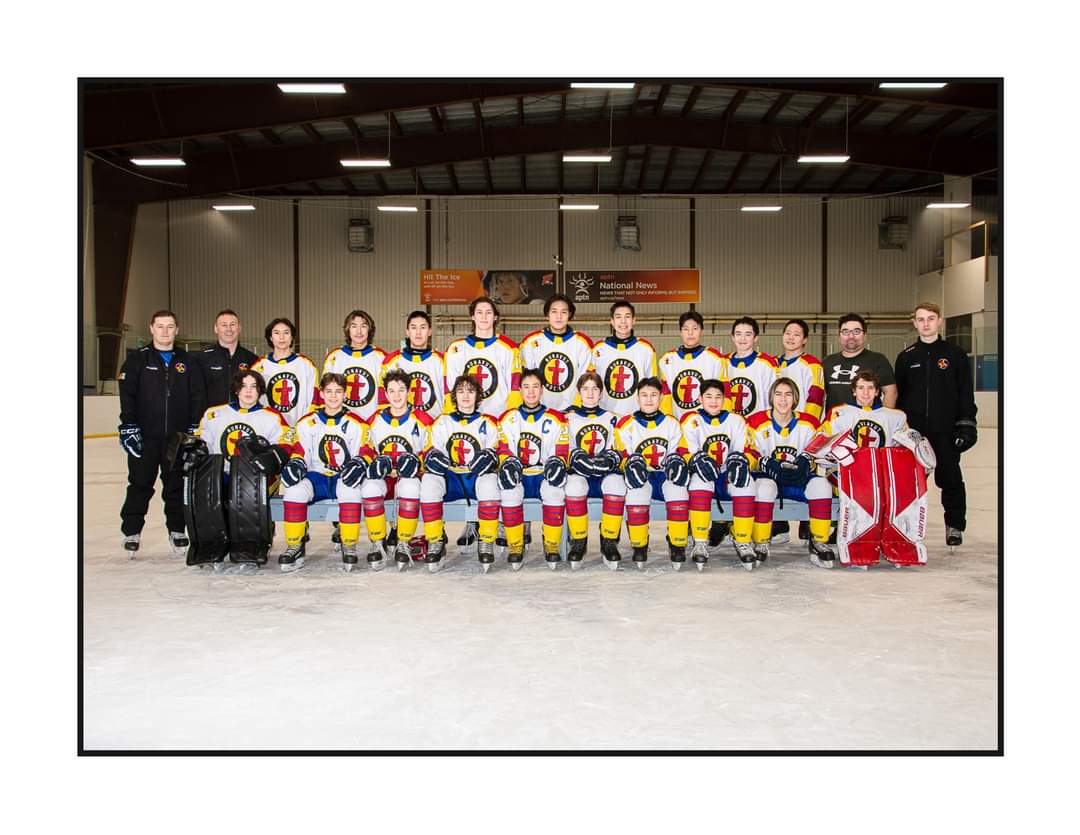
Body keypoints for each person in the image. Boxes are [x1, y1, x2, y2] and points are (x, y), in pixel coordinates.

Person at [118, 309, 206, 555]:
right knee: (139, 484)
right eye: (160, 326)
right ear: (151, 328)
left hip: (176, 439)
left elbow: (197, 395)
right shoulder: (138, 359)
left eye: (170, 327)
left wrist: (193, 426)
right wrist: (128, 425)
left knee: (175, 485)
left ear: (177, 330)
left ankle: (177, 530)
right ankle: (132, 531)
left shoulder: (187, 361)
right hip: (145, 436)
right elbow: (128, 396)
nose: (165, 331)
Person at [186, 369, 294, 571]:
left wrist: (273, 457)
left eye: (254, 387)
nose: (248, 391)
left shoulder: (272, 417)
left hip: (256, 478)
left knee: (246, 493)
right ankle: (211, 543)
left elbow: (287, 443)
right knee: (207, 490)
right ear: (236, 389)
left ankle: (252, 544)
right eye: (244, 386)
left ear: (260, 391)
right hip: (221, 473)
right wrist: (193, 451)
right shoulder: (215, 414)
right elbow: (202, 442)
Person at [893, 302, 978, 547]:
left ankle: (954, 525)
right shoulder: (906, 357)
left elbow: (965, 393)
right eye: (921, 319)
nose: (926, 323)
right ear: (915, 323)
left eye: (931, 318)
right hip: (915, 434)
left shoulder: (955, 354)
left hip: (945, 430)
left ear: (940, 321)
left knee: (950, 479)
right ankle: (903, 526)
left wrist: (966, 424)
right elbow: (898, 396)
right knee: (909, 483)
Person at [277, 373, 373, 572]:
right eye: (328, 391)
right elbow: (299, 450)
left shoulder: (357, 423)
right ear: (321, 394)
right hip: (316, 477)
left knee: (351, 491)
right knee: (293, 491)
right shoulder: (307, 422)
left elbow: (366, 449)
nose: (333, 396)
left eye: (338, 391)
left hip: (342, 476)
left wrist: (359, 463)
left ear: (345, 394)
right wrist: (296, 463)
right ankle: (295, 544)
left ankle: (349, 544)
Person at [746, 378, 836, 569]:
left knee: (822, 486)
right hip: (770, 479)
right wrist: (766, 462)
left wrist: (807, 459)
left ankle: (819, 541)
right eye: (778, 394)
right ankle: (761, 542)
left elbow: (822, 448)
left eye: (788, 394)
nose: (783, 399)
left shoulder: (809, 422)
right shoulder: (755, 421)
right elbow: (749, 452)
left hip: (797, 480)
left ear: (795, 398)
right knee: (764, 487)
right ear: (771, 397)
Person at [418, 375, 502, 572]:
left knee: (490, 481)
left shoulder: (488, 422)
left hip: (475, 480)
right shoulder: (442, 422)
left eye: (471, 391)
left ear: (478, 396)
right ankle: (435, 540)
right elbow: (429, 450)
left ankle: (487, 539)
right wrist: (432, 457)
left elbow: (498, 449)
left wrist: (492, 456)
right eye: (461, 391)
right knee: (429, 481)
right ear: (454, 395)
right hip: (452, 480)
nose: (466, 395)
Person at [612, 377, 691, 570]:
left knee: (678, 490)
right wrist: (629, 465)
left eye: (654, 395)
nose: (649, 399)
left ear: (661, 397)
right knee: (636, 491)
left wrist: (678, 463)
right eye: (644, 395)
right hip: (640, 476)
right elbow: (622, 454)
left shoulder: (672, 423)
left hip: (664, 475)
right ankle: (640, 544)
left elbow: (679, 451)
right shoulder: (625, 424)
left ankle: (677, 543)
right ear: (637, 398)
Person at [495, 368, 571, 569]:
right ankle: (516, 545)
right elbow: (504, 450)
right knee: (509, 491)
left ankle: (552, 544)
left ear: (542, 390)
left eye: (535, 387)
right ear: (519, 390)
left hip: (543, 475)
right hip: (519, 476)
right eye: (526, 387)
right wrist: (508, 463)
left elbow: (562, 451)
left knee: (554, 490)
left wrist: (557, 463)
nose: (531, 392)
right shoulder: (507, 418)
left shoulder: (556, 418)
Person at [680, 379, 759, 570]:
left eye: (718, 397)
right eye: (708, 396)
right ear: (700, 398)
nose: (713, 401)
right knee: (700, 481)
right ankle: (699, 541)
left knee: (746, 483)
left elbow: (746, 451)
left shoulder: (736, 421)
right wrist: (695, 460)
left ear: (724, 399)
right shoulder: (691, 420)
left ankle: (743, 540)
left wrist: (741, 462)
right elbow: (685, 451)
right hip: (704, 473)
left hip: (726, 474)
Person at [361, 369, 433, 570]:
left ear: (409, 392)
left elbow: (429, 450)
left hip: (408, 478)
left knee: (410, 488)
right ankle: (377, 541)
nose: (397, 395)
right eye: (392, 391)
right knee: (368, 489)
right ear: (385, 393)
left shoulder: (422, 419)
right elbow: (366, 448)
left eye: (401, 390)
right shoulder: (374, 419)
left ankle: (403, 541)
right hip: (384, 478)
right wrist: (371, 463)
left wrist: (417, 462)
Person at [772, 318, 826, 544]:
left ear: (804, 339)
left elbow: (815, 398)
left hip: (801, 428)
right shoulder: (773, 363)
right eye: (787, 333)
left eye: (796, 334)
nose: (791, 337)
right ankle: (779, 524)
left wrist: (806, 428)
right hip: (777, 427)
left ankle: (806, 524)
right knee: (776, 470)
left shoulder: (811, 364)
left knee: (805, 473)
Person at [563, 372, 625, 568]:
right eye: (586, 389)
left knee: (616, 484)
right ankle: (579, 541)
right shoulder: (568, 419)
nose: (590, 393)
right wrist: (574, 458)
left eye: (595, 389)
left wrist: (613, 457)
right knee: (573, 486)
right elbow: (563, 447)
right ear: (579, 392)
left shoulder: (612, 419)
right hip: (580, 473)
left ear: (601, 393)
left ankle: (609, 541)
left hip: (605, 474)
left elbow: (620, 448)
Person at [445, 296, 522, 415]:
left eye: (488, 312)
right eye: (479, 312)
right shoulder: (455, 349)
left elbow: (515, 389)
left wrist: (510, 418)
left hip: (498, 418)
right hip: (465, 419)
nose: (484, 317)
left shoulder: (509, 348)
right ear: (473, 316)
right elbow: (450, 388)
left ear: (495, 317)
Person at [519, 293, 595, 412]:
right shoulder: (531, 342)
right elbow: (527, 380)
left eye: (564, 312)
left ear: (569, 315)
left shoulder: (582, 343)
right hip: (539, 411)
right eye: (554, 311)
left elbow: (586, 380)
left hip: (572, 411)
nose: (558, 316)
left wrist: (577, 406)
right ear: (547, 314)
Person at [591, 299, 658, 417]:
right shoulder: (599, 349)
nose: (623, 321)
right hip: (605, 415)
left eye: (627, 316)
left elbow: (652, 387)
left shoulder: (646, 349)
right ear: (611, 321)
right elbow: (590, 383)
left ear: (634, 320)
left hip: (636, 417)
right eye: (618, 317)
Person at [251, 318, 321, 427]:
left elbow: (314, 399)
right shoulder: (259, 366)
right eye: (276, 333)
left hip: (298, 429)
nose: (281, 337)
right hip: (268, 430)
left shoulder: (306, 365)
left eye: (286, 333)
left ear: (292, 336)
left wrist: (305, 426)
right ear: (270, 337)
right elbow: (253, 400)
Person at [382, 310, 450, 420]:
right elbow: (384, 400)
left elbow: (449, 397)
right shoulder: (391, 361)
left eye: (423, 328)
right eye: (414, 328)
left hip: (434, 426)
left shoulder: (442, 361)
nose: (418, 332)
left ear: (430, 331)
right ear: (407, 332)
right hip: (403, 428)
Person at [322, 309, 388, 422]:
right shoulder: (335, 357)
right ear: (348, 330)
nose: (358, 331)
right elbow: (325, 392)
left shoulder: (381, 357)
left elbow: (388, 394)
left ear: (369, 329)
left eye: (363, 326)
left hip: (372, 423)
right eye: (354, 326)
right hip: (341, 423)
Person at [822, 313, 897, 413]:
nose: (851, 336)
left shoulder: (878, 360)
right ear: (839, 336)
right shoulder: (827, 361)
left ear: (865, 335)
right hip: (835, 424)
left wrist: (884, 420)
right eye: (845, 332)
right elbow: (819, 395)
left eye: (856, 331)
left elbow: (891, 392)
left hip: (868, 425)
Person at [658, 310, 725, 418]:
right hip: (678, 424)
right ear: (680, 332)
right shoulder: (666, 360)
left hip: (707, 424)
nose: (690, 333)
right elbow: (666, 396)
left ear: (701, 331)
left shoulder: (715, 358)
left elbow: (724, 394)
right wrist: (668, 421)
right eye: (686, 329)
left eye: (695, 328)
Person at [818, 370, 909, 448]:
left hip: (881, 467)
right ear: (854, 391)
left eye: (870, 388)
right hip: (849, 467)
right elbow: (821, 442)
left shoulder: (896, 417)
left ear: (877, 392)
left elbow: (907, 447)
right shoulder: (838, 413)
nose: (866, 393)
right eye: (861, 388)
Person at [193, 309, 259, 409]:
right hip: (212, 420)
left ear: (239, 328)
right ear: (216, 328)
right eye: (224, 325)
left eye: (232, 324)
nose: (229, 329)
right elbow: (196, 393)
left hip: (242, 420)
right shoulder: (202, 359)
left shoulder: (252, 359)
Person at [721, 316, 778, 419]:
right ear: (732, 337)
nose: (742, 338)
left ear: (755, 337)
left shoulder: (767, 363)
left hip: (758, 425)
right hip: (729, 426)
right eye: (738, 334)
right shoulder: (722, 362)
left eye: (748, 334)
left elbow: (774, 398)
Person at [483, 270, 547, 305]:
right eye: (501, 281)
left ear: (522, 284)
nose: (505, 287)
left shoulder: (536, 303)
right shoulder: (492, 305)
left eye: (510, 281)